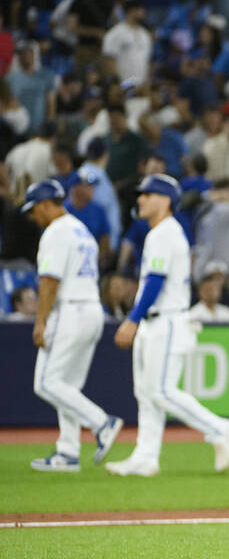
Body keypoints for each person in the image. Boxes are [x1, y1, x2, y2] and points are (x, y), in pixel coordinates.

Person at [106, 173, 229, 477]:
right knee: (146, 393)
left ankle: (220, 428)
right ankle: (146, 456)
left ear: (165, 199)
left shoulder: (165, 233)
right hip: (157, 322)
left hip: (166, 320)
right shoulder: (161, 232)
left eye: (147, 194)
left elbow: (155, 282)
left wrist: (132, 319)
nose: (140, 199)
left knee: (162, 391)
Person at [20, 180, 124, 472]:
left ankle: (102, 422)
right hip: (91, 309)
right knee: (68, 387)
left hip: (70, 310)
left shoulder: (56, 231)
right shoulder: (81, 230)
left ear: (44, 204)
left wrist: (40, 321)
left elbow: (50, 280)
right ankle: (67, 451)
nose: (32, 216)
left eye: (33, 209)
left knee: (47, 383)